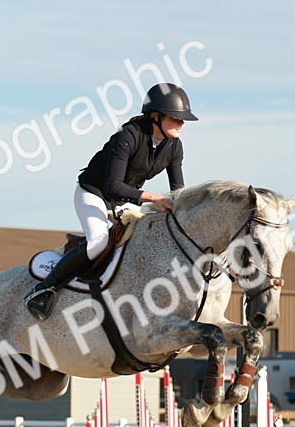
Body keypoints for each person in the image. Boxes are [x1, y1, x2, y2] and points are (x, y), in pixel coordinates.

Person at [24, 83, 198, 321]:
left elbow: (177, 191)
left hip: (125, 201)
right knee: (98, 241)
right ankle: (44, 290)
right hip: (95, 193)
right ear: (155, 116)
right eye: (175, 117)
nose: (181, 123)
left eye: (183, 119)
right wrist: (153, 197)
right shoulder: (129, 136)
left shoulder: (174, 146)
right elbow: (112, 186)